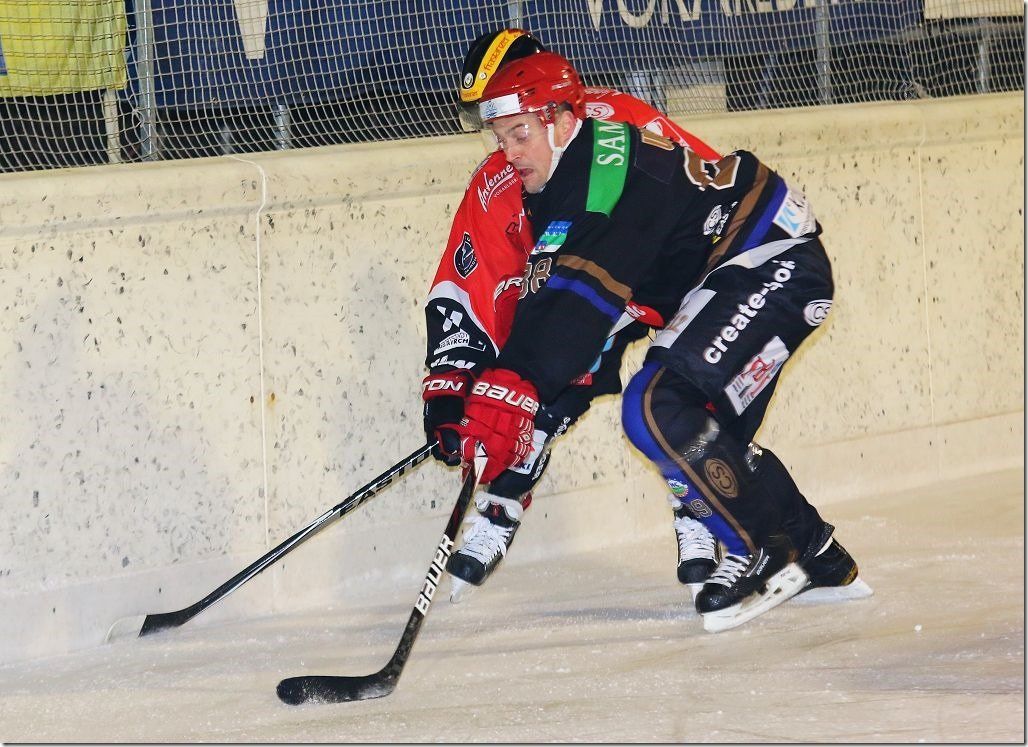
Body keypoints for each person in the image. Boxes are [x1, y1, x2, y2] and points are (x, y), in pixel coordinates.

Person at [451, 51, 871, 632]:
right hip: (735, 276)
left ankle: (764, 550)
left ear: (563, 121)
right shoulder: (560, 184)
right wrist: (518, 396)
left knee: (655, 407)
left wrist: (514, 385)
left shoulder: (606, 168)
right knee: (703, 432)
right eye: (500, 138)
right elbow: (572, 321)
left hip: (769, 260)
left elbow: (575, 302)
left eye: (520, 133)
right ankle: (817, 555)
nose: (509, 152)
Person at [422, 29, 723, 600]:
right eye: (491, 123)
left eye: (509, 118)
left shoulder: (626, 121)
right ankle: (503, 499)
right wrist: (453, 382)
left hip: (676, 270)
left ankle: (700, 504)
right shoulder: (501, 176)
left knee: (685, 382)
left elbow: (712, 193)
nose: (502, 140)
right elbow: (475, 283)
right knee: (540, 373)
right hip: (592, 281)